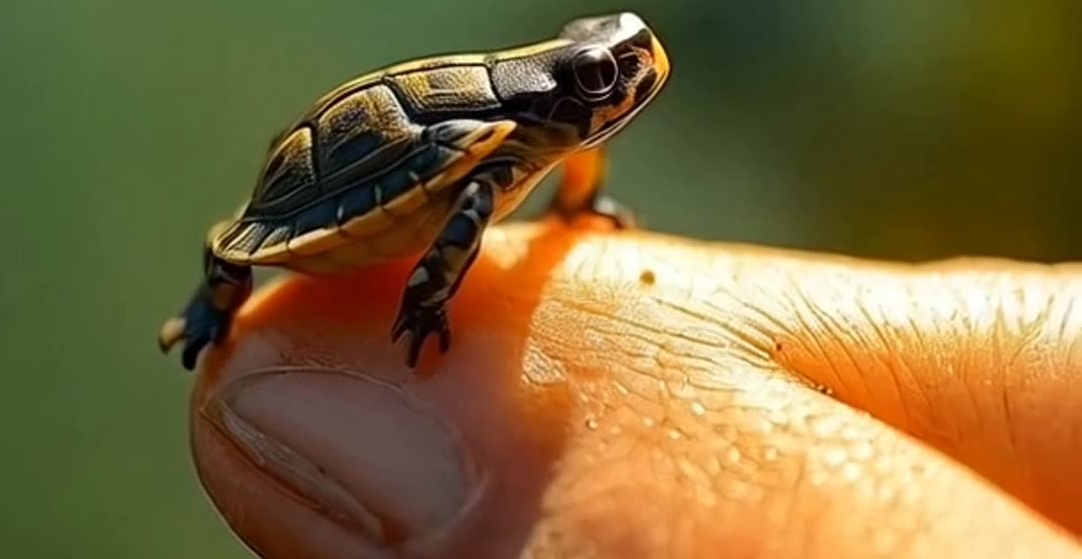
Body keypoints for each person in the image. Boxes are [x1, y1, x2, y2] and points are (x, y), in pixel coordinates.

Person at [184, 217, 1082, 558]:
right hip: (340, 191)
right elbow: (460, 213)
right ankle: (205, 312)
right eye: (606, 76)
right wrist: (428, 300)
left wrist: (581, 203)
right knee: (242, 251)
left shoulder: (545, 141)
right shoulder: (497, 153)